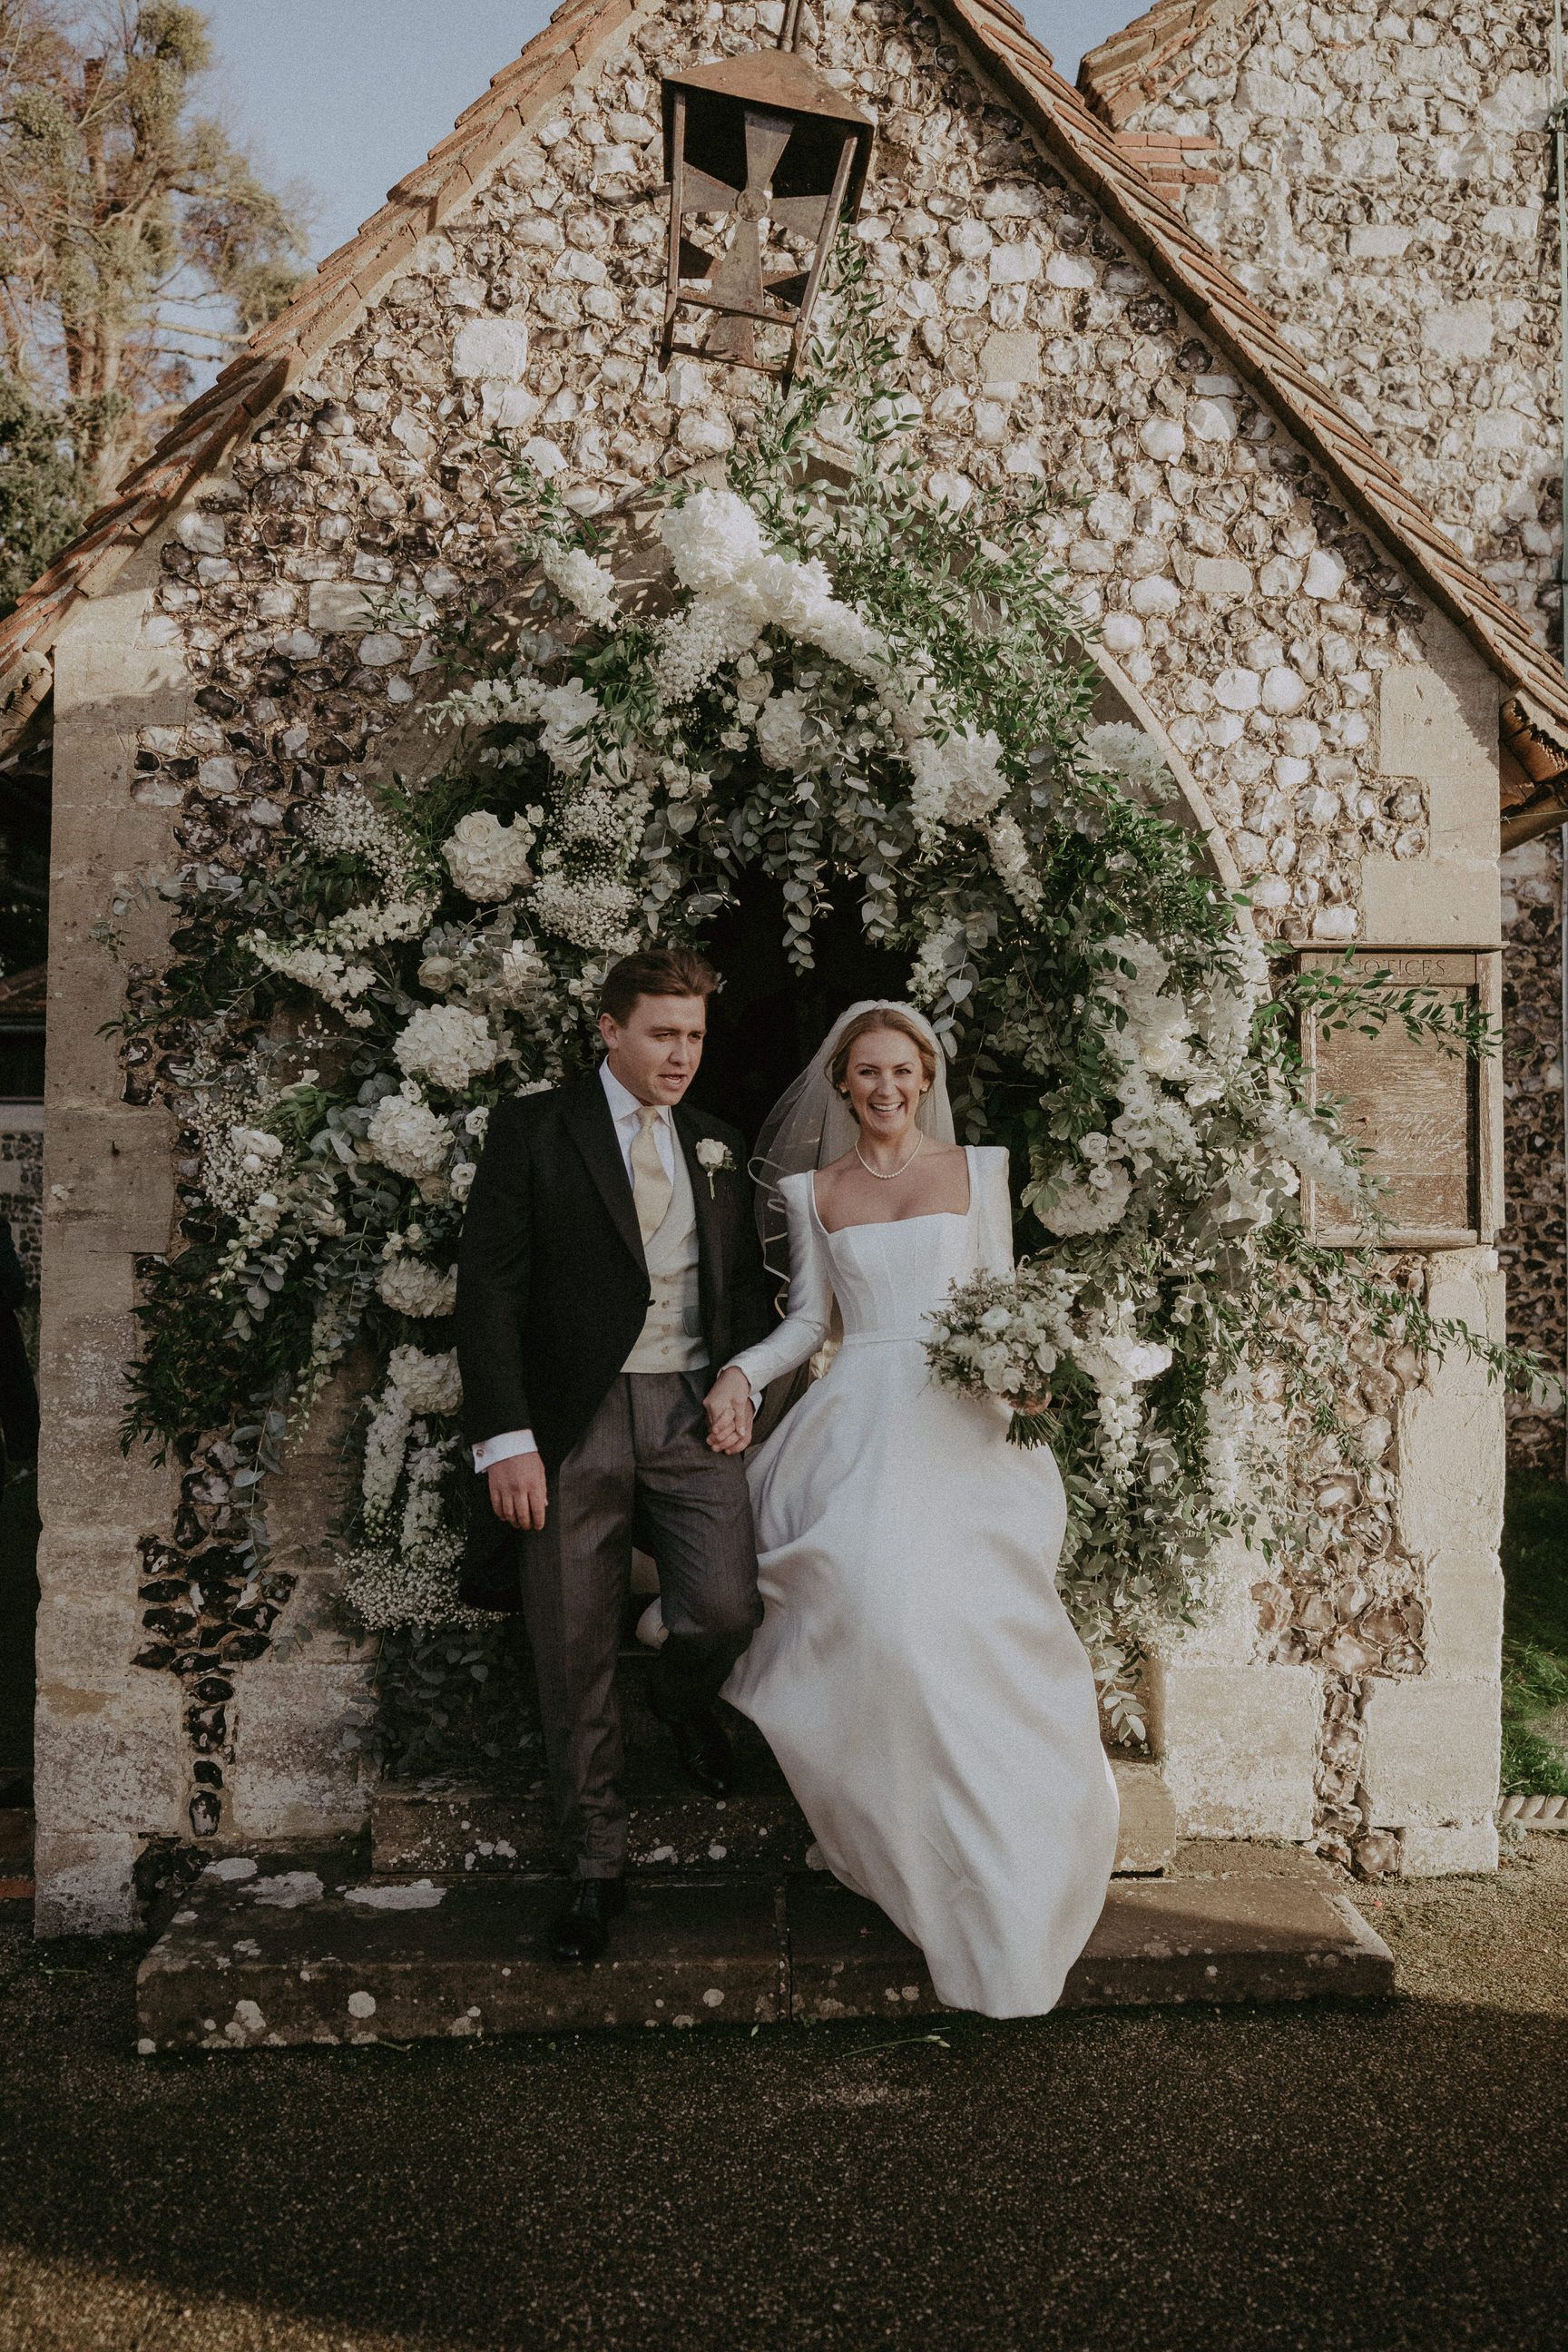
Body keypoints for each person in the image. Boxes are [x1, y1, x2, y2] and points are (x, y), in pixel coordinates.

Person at [705, 1001, 1121, 2018]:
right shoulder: (812, 1189)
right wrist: (740, 1377)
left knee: (972, 1628)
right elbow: (809, 1321)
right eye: (867, 1073)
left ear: (926, 1075)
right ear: (842, 1084)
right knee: (878, 1613)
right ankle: (895, 1826)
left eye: (903, 1071)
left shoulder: (980, 1170)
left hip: (962, 1420)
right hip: (859, 1424)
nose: (886, 1089)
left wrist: (1028, 1371)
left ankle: (1011, 1854)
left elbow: (999, 1293)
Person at [455, 946, 775, 1964]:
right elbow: (490, 1291)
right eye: (662, 1035)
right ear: (609, 1027)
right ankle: (595, 1868)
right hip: (571, 1416)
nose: (682, 1056)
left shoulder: (717, 1144)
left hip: (687, 1408)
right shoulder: (534, 1130)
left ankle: (685, 1702)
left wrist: (741, 1378)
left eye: (694, 1038)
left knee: (724, 1604)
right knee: (571, 1641)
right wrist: (506, 1439)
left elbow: (748, 1294)